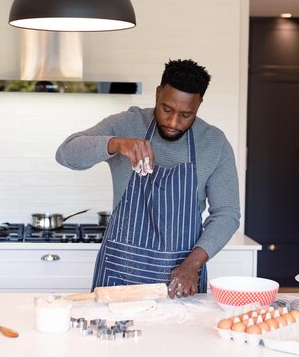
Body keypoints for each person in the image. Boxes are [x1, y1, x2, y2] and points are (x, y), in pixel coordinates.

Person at [55, 59, 240, 299]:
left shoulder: (214, 143)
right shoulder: (126, 124)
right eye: (167, 109)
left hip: (180, 278)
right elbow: (66, 153)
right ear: (158, 93)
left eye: (186, 114)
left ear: (199, 104)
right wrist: (116, 143)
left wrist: (193, 264)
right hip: (118, 277)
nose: (173, 122)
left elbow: (227, 214)